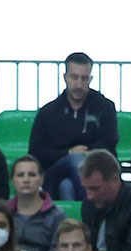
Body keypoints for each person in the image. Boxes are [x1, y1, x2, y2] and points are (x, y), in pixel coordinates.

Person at [29, 53, 118, 202]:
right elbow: (36, 153)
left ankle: (73, 223)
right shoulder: (48, 112)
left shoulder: (105, 107)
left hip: (95, 170)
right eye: (74, 77)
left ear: (90, 79)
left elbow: (109, 144)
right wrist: (68, 153)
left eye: (84, 78)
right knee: (76, 160)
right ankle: (93, 211)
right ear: (65, 77)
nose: (79, 85)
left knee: (67, 187)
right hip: (54, 173)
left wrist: (86, 154)